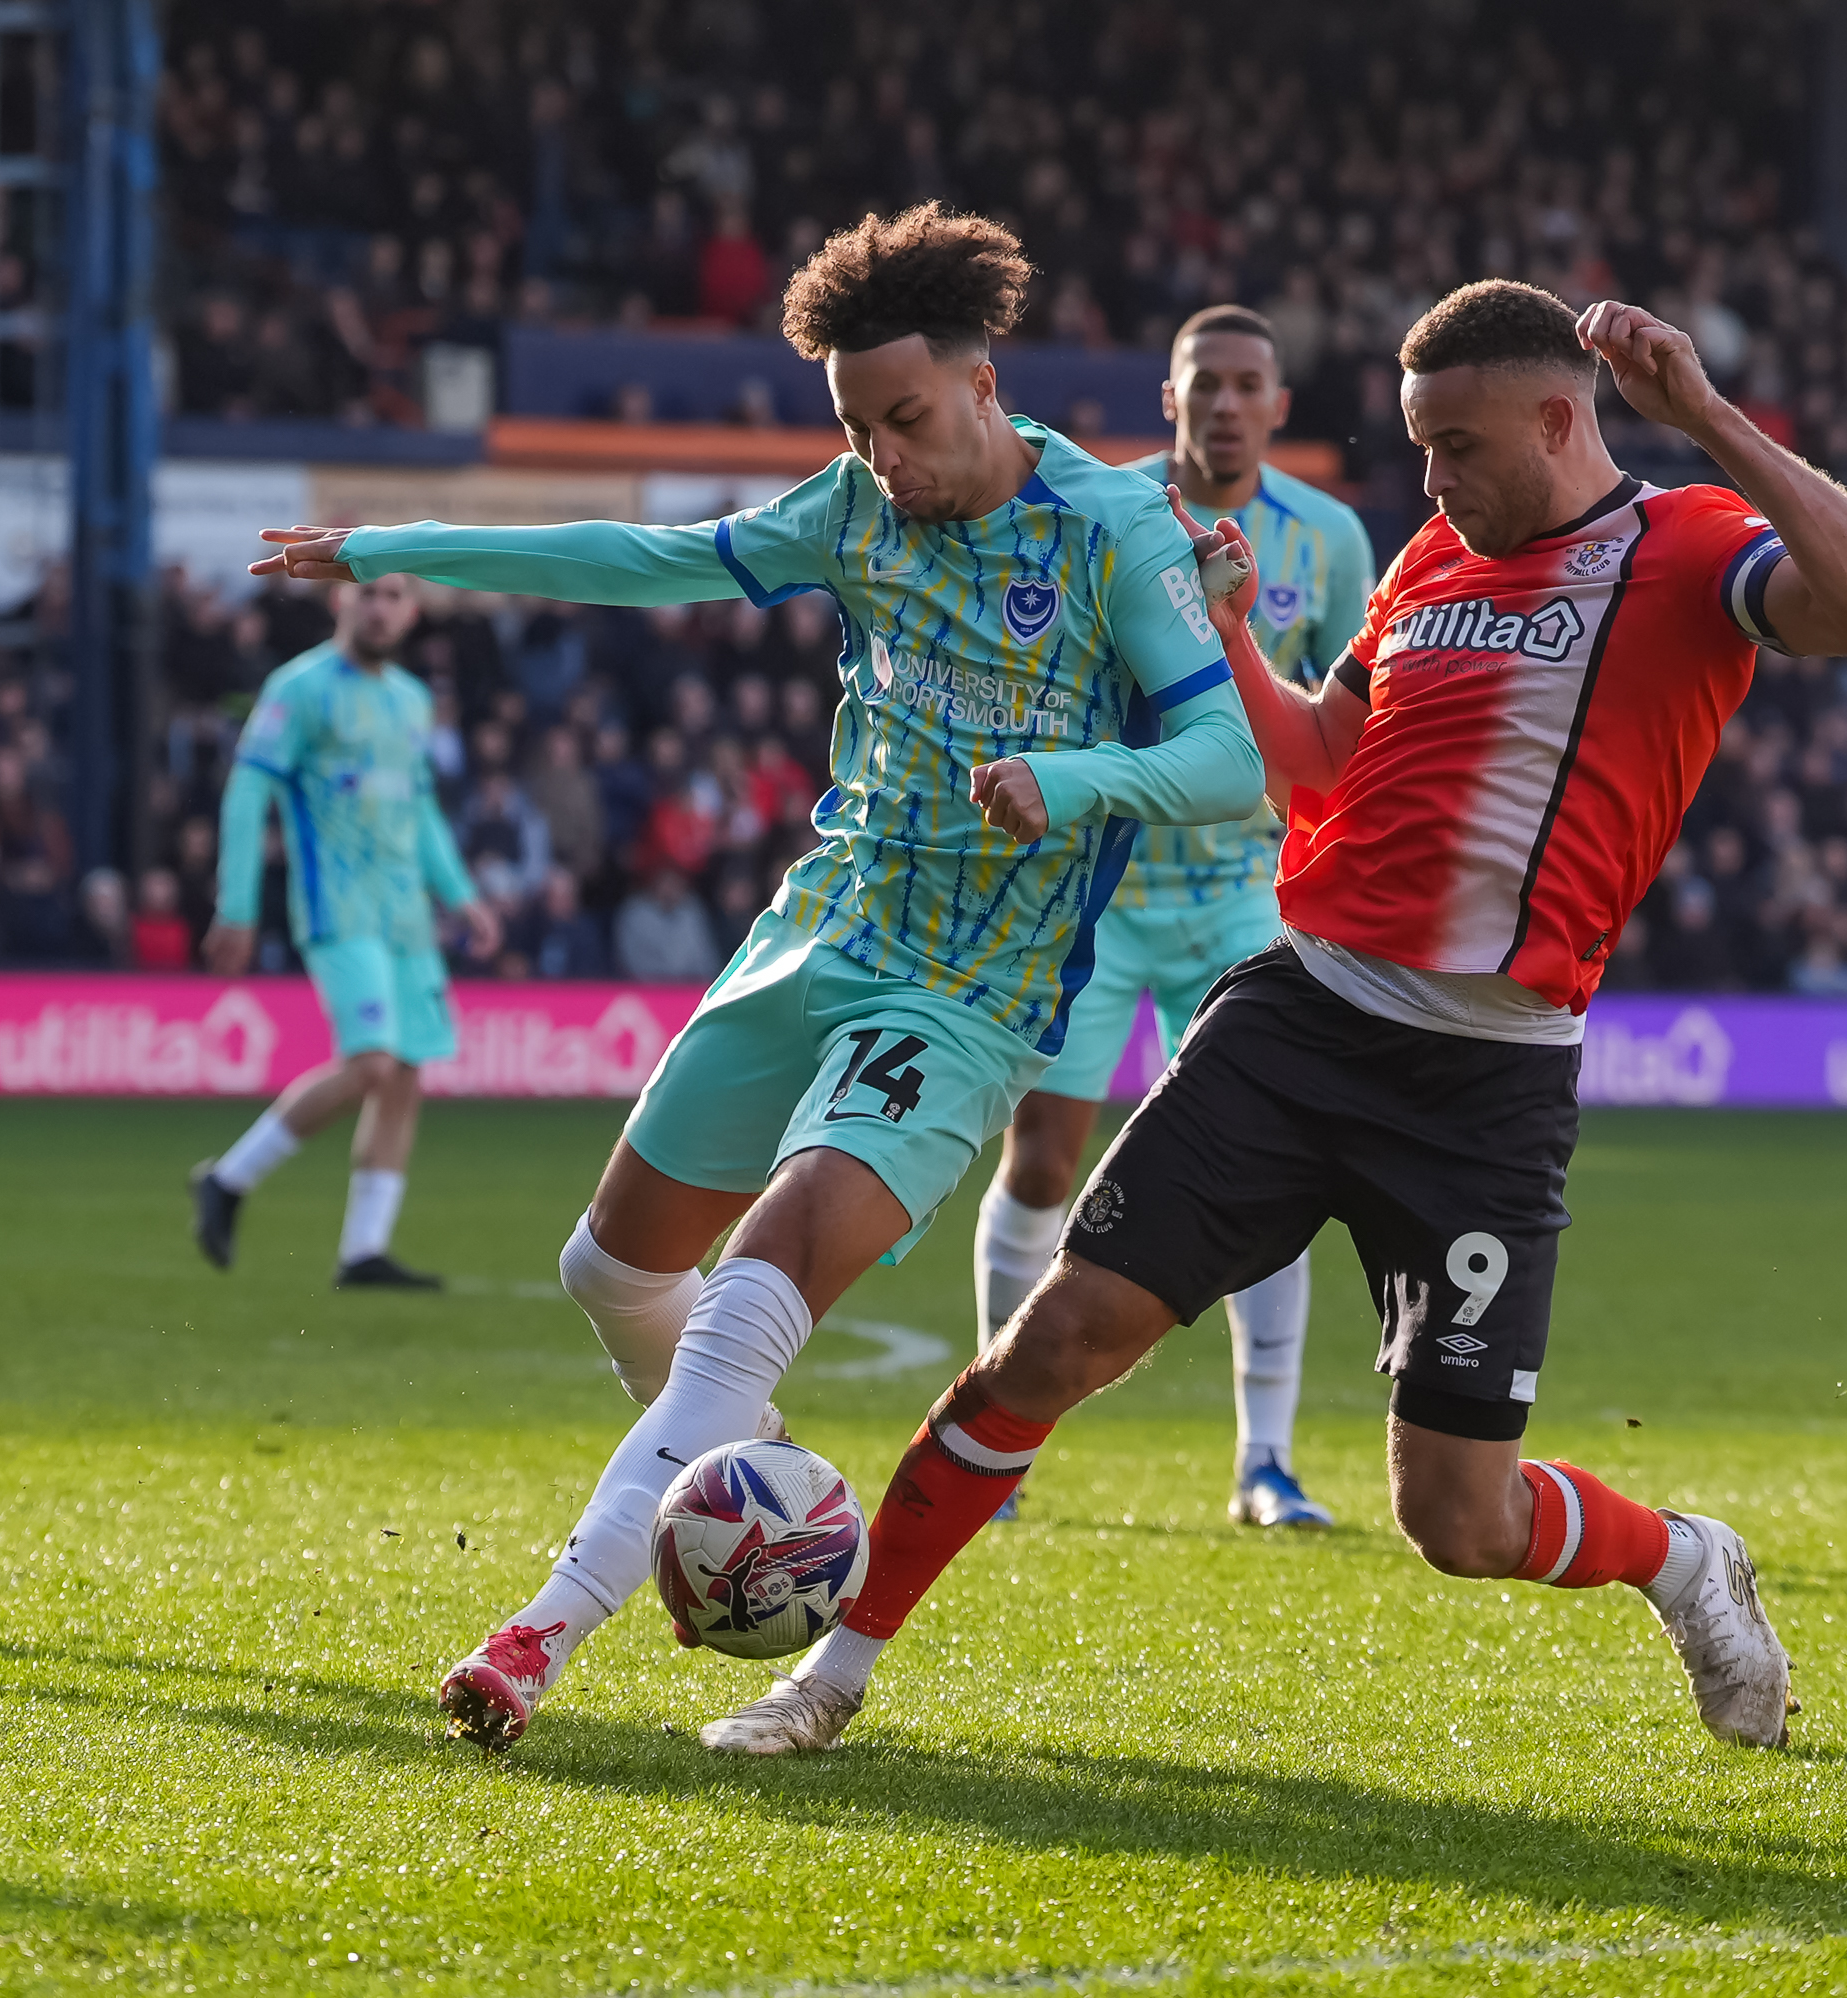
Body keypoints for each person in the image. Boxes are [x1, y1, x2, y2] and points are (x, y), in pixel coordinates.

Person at [699, 280, 1847, 1758]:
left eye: (1459, 445)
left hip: (1487, 1081)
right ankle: (830, 1676)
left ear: (1559, 419)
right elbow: (1317, 765)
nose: (1432, 478)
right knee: (1052, 1342)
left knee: (1456, 1517)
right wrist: (1229, 636)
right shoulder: (1427, 559)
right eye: (1419, 446)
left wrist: (1713, 422)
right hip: (1301, 1015)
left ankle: (1682, 1559)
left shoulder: (1687, 550)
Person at [248, 203, 1266, 1753]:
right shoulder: (854, 511)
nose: (884, 459)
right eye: (856, 428)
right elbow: (645, 562)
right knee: (612, 1270)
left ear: (985, 386)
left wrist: (1075, 780)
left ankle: (540, 1630)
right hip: (819, 930)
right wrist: (395, 544)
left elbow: (1225, 755)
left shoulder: (1110, 531)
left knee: (757, 1280)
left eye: (907, 421)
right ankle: (743, 1447)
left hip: (966, 993)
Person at [972, 304, 1376, 1532]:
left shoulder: (1332, 537)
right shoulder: (1106, 509)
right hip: (1103, 891)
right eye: (1206, 383)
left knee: (1276, 1169)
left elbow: (1354, 719)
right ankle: (992, 1436)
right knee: (1042, 1154)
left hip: (1250, 896)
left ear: (1277, 405)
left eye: (1249, 383)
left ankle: (1267, 1462)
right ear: (1171, 398)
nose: (1226, 404)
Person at [190, 572, 501, 1285]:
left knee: (404, 1075)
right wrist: (235, 905)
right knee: (372, 1062)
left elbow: (418, 812)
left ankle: (363, 1251)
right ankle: (229, 1179)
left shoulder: (412, 701)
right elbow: (248, 792)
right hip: (339, 906)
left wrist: (462, 895)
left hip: (406, 916)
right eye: (369, 595)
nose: (380, 608)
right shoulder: (297, 689)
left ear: (413, 612)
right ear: (341, 602)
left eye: (394, 596)